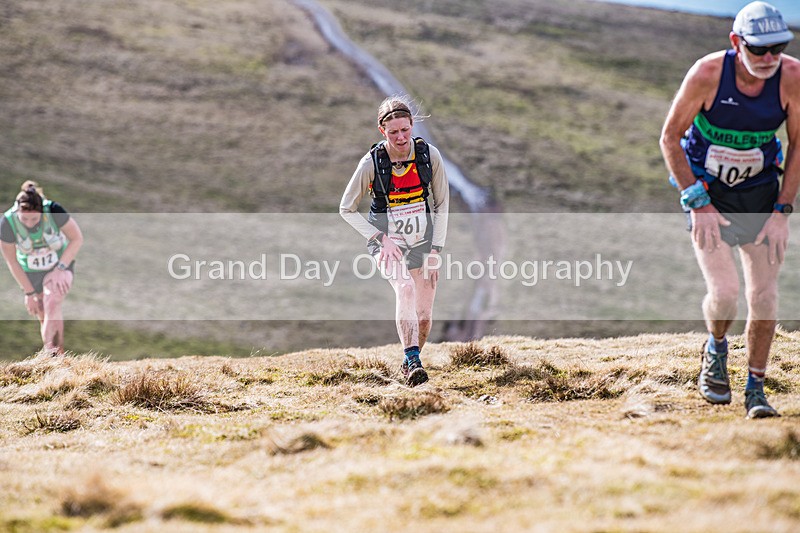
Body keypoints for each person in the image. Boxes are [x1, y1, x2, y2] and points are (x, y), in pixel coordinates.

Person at [660, 1, 799, 418]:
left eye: (779, 47)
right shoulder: (707, 74)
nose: (770, 58)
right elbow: (670, 138)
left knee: (765, 296)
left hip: (759, 195)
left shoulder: (791, 77)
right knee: (724, 294)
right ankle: (716, 348)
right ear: (737, 42)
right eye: (759, 49)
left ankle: (755, 389)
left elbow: (799, 145)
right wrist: (696, 201)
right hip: (708, 196)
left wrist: (781, 211)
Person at [340, 96, 449, 386]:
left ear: (412, 125)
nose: (400, 137)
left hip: (423, 243)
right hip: (387, 244)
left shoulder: (429, 156)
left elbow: (442, 204)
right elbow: (346, 208)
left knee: (424, 318)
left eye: (405, 130)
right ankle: (413, 361)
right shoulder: (372, 162)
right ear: (382, 131)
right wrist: (379, 237)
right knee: (405, 287)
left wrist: (436, 249)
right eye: (393, 132)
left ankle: (408, 363)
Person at [1, 181, 83, 354]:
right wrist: (29, 293)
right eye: (24, 219)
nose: (29, 223)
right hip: (30, 272)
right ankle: (58, 355)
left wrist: (60, 269)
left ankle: (50, 355)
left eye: (34, 218)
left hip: (60, 265)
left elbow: (77, 238)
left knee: (52, 301)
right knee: (44, 313)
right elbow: (12, 261)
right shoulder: (7, 223)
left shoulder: (53, 211)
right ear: (17, 212)